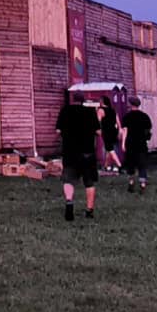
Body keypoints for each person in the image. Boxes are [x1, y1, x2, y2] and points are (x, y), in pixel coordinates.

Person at [55, 90, 103, 221]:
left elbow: (58, 131)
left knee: (68, 180)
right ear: (83, 100)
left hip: (70, 151)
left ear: (72, 98)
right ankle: (89, 210)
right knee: (89, 182)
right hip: (87, 152)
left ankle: (69, 202)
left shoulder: (65, 111)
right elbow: (99, 132)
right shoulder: (90, 112)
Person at [121, 96, 154, 192]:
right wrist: (147, 140)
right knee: (142, 164)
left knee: (130, 163)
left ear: (130, 104)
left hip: (130, 143)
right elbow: (148, 130)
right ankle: (142, 183)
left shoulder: (127, 117)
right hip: (141, 143)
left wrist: (123, 143)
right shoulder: (145, 116)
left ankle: (131, 182)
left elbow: (125, 131)